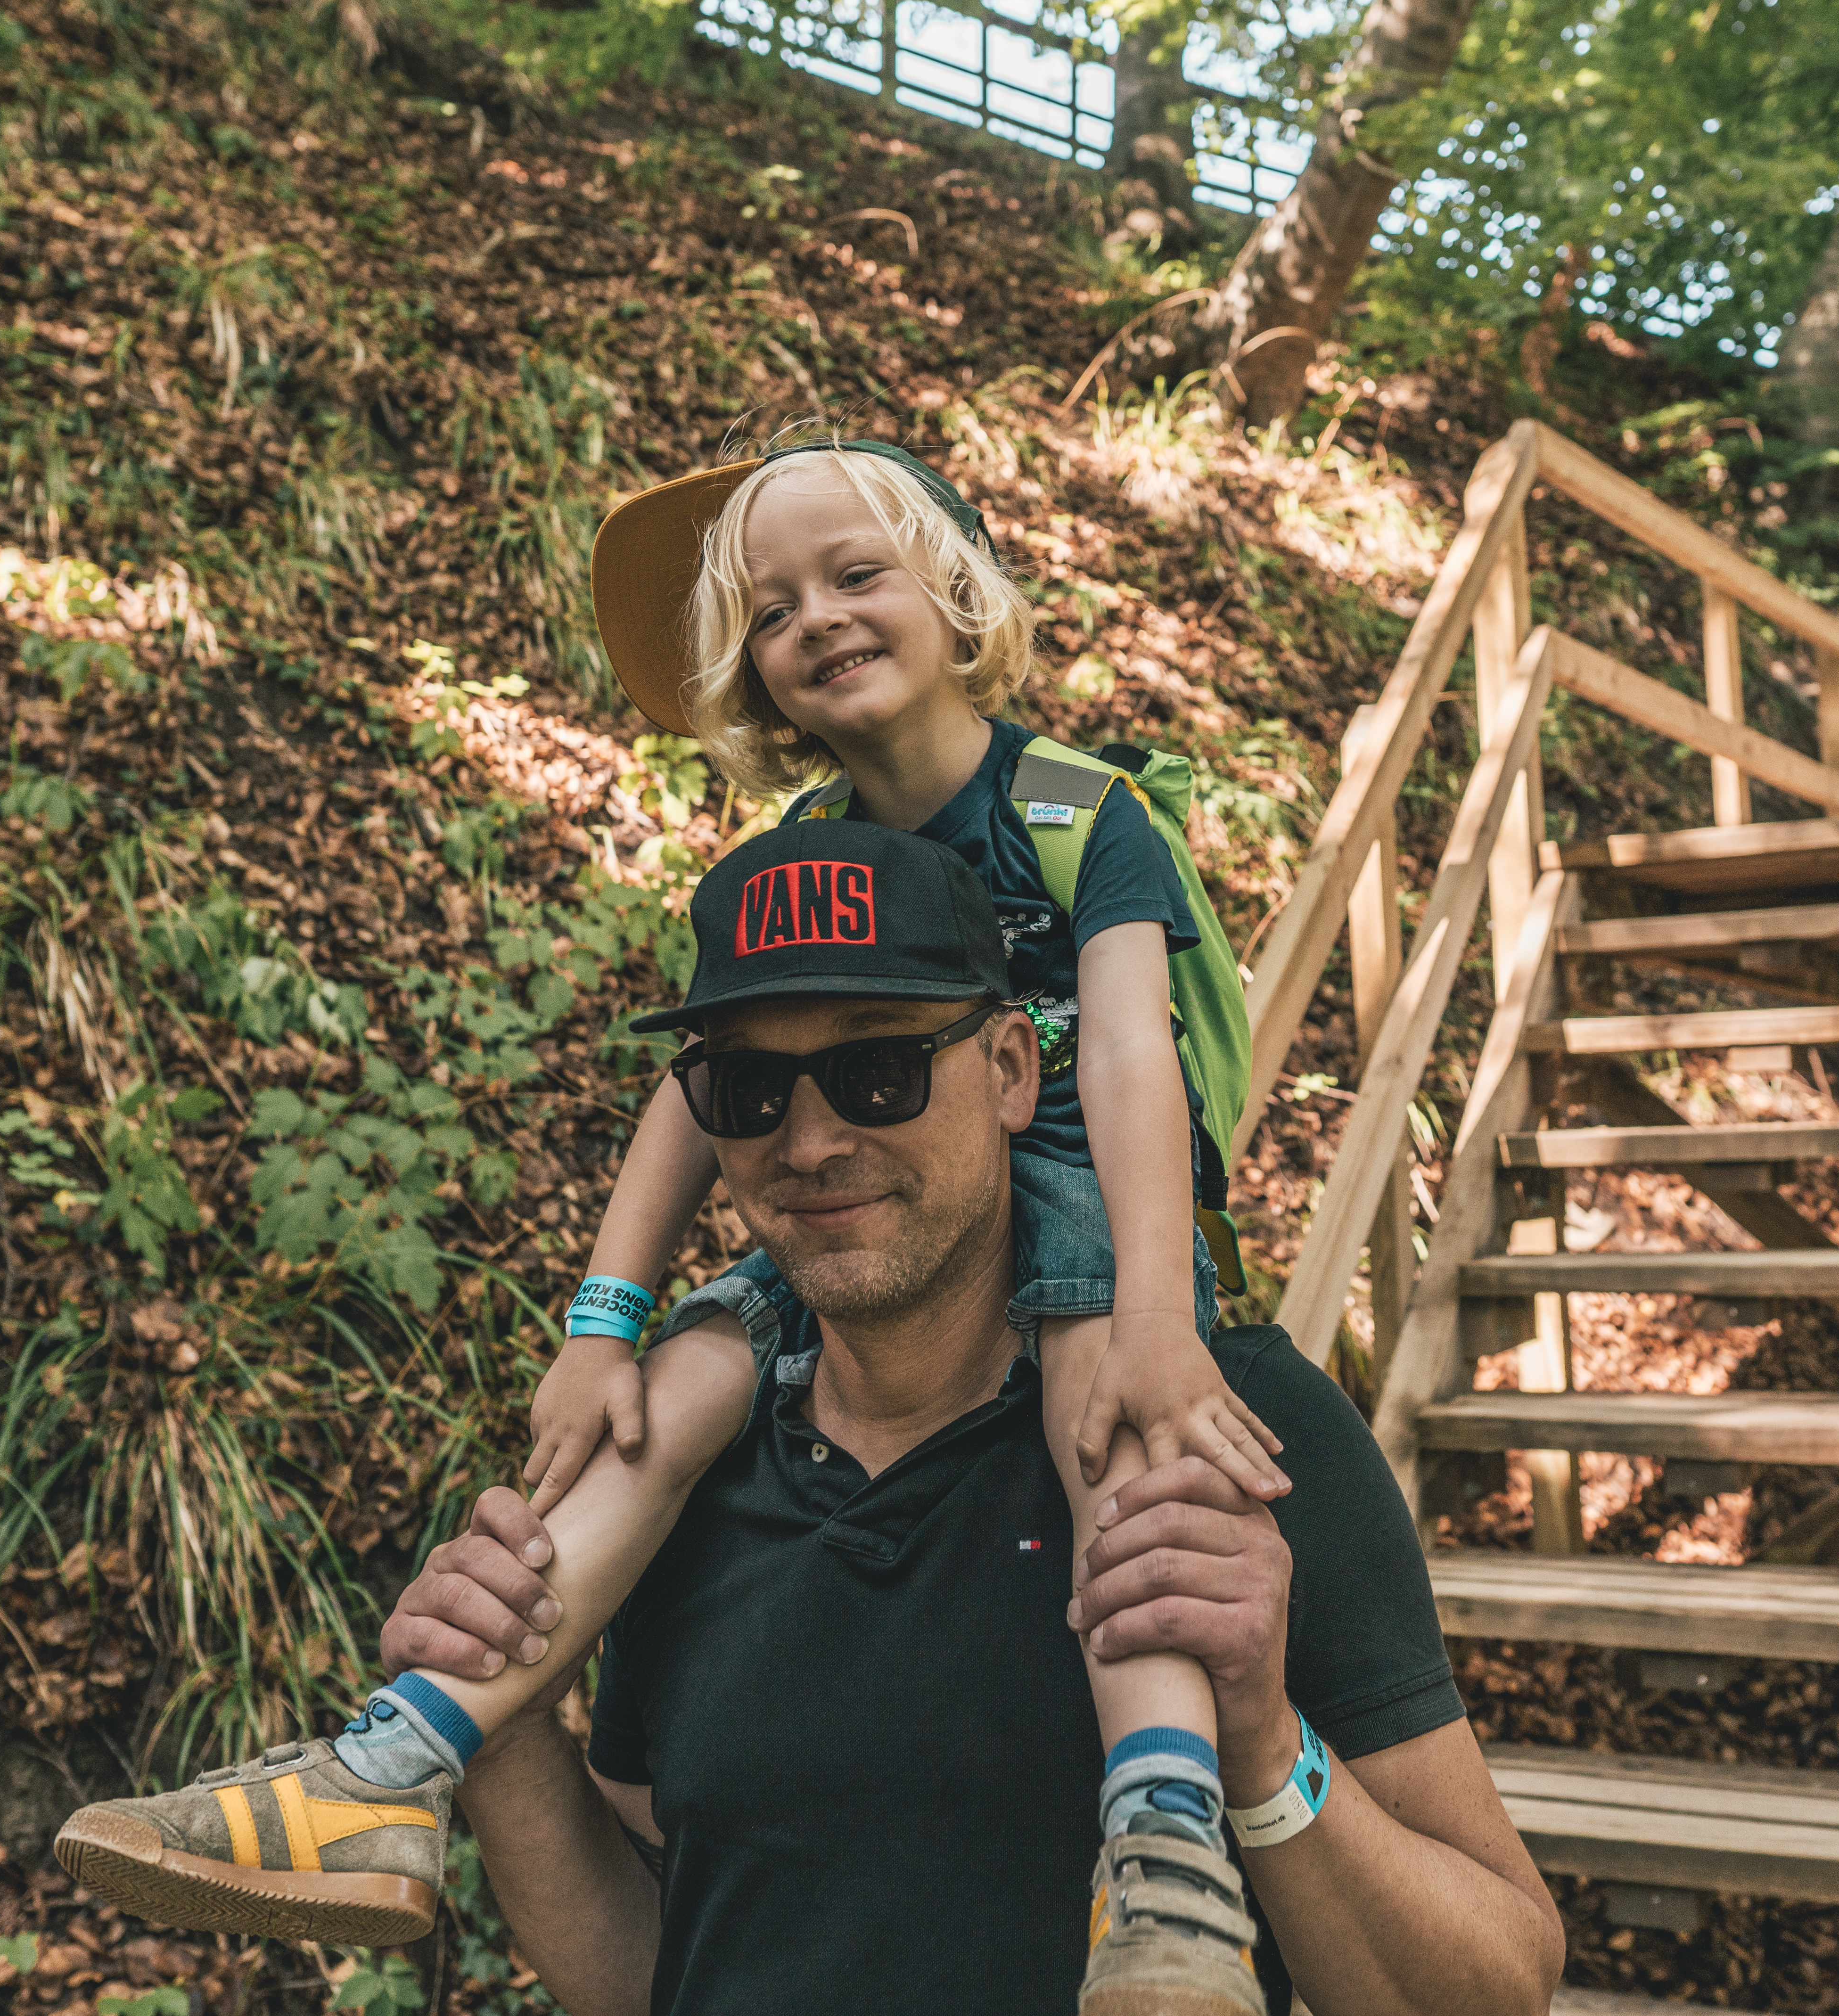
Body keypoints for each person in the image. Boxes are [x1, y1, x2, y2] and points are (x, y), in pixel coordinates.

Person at [55, 437, 1316, 2013]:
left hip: (1072, 1175)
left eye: (855, 574)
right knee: (682, 1391)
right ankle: (398, 1762)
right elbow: (697, 1094)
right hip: (863, 1191)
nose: (818, 618)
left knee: (1106, 1421)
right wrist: (606, 1323)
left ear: (956, 591)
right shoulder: (794, 856)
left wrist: (1156, 1315)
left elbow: (1129, 1051)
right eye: (774, 608)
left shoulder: (1074, 809)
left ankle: (1169, 1861)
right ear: (751, 669)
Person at [385, 817, 1563, 2014]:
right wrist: (505, 1731)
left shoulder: (1226, 1429)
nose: (811, 1142)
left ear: (1011, 1070)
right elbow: (668, 1962)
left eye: (879, 1072)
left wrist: (1263, 1744)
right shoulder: (667, 1479)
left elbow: (1498, 1992)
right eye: (748, 1089)